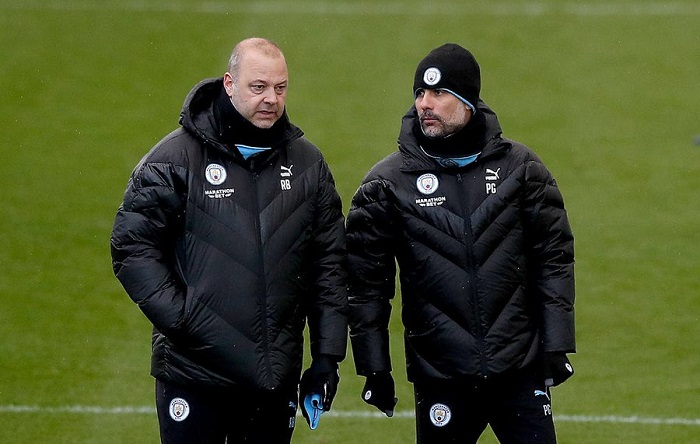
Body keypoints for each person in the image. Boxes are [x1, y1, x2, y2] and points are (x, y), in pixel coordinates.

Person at [110, 37, 348, 443]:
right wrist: (184, 318)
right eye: (258, 87)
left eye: (280, 87)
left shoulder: (308, 166)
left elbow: (328, 266)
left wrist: (327, 358)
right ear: (229, 84)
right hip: (193, 373)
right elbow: (131, 246)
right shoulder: (174, 160)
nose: (271, 98)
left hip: (272, 378)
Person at [346, 43, 576, 443]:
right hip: (441, 376)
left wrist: (557, 343)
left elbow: (553, 257)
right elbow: (365, 283)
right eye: (420, 93)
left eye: (439, 94)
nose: (425, 104)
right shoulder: (386, 185)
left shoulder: (522, 170)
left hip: (518, 369)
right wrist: (374, 367)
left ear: (468, 101)